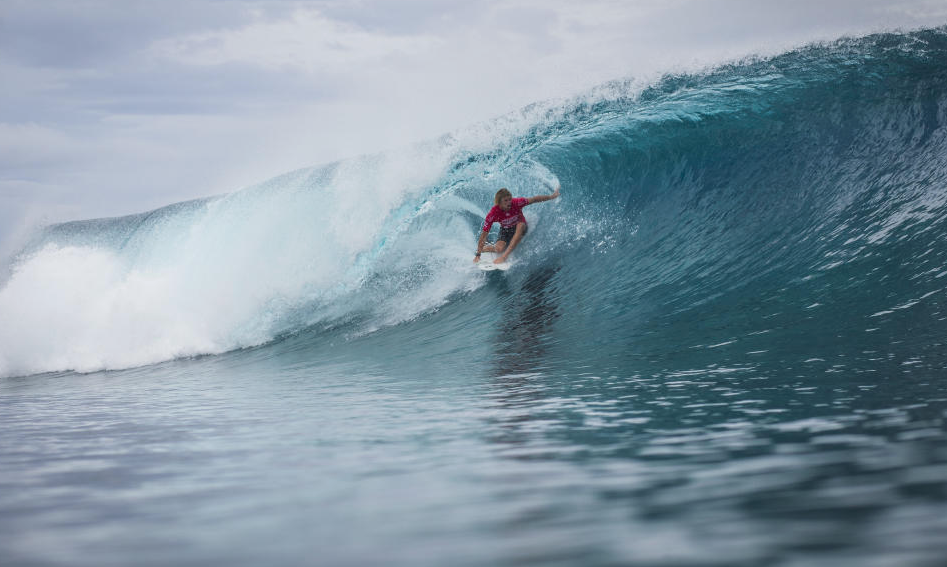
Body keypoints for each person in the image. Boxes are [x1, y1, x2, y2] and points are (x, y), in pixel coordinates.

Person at [474, 183, 561, 264]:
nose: (509, 202)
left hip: (520, 227)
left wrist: (551, 196)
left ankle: (504, 256)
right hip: (505, 230)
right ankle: (485, 248)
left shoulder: (517, 202)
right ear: (499, 202)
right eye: (505, 200)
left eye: (509, 199)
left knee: (520, 225)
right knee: (499, 249)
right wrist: (478, 255)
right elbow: (484, 234)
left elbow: (534, 199)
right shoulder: (493, 213)